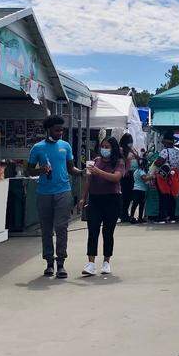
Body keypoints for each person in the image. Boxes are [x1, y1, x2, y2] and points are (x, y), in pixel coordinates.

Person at [27, 116, 82, 279]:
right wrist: (41, 170)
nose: (60, 132)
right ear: (48, 129)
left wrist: (82, 172)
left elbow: (71, 168)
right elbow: (29, 171)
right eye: (57, 129)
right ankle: (49, 263)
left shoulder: (65, 146)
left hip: (63, 191)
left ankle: (61, 264)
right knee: (46, 229)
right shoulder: (37, 148)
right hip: (44, 193)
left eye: (61, 130)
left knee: (61, 227)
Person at [77, 138, 125, 276]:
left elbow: (116, 178)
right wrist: (83, 197)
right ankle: (91, 263)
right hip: (95, 199)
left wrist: (99, 172)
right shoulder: (96, 161)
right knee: (93, 231)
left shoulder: (119, 162)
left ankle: (106, 262)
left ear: (113, 148)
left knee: (108, 231)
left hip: (112, 199)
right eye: (103, 146)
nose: (104, 149)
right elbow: (89, 180)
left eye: (107, 147)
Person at [154, 133, 179, 223]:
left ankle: (162, 217)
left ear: (166, 141)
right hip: (175, 175)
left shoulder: (165, 151)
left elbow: (158, 163)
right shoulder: (178, 150)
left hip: (165, 176)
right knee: (172, 196)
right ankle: (172, 217)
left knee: (163, 195)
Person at [118, 133, 137, 222]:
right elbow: (122, 160)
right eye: (129, 141)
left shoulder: (131, 149)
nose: (131, 143)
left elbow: (137, 157)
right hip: (124, 175)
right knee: (125, 195)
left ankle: (125, 213)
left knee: (129, 196)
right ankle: (123, 214)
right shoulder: (121, 150)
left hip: (131, 174)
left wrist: (133, 152)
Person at [129, 155, 148, 224]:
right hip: (141, 190)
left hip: (136, 188)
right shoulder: (141, 171)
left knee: (135, 204)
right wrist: (152, 177)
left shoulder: (136, 171)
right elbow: (145, 179)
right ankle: (139, 218)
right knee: (141, 204)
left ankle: (132, 216)